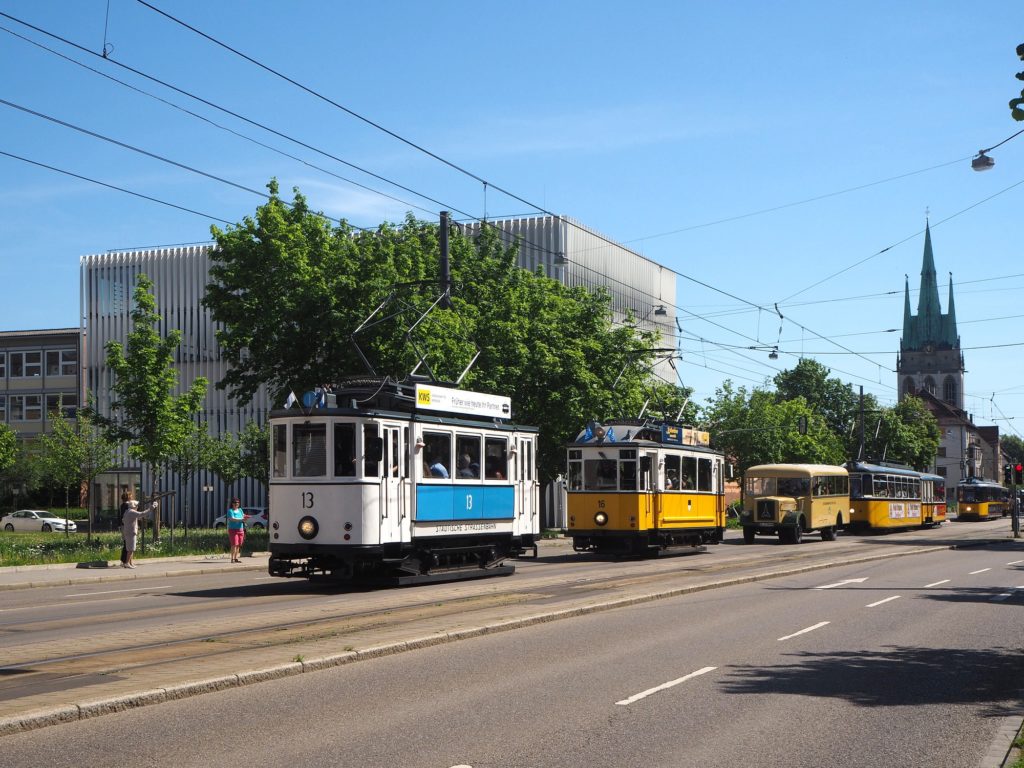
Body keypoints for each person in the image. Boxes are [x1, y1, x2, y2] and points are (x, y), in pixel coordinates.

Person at [121, 496, 159, 569]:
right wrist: (152, 508)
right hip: (131, 532)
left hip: (129, 532)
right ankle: (126, 563)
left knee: (131, 548)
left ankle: (130, 563)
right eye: (136, 506)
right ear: (133, 506)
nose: (137, 507)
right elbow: (142, 514)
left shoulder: (128, 511)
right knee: (131, 549)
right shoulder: (131, 512)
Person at [226, 498, 247, 563]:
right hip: (233, 530)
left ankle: (236, 558)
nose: (236, 504)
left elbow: (243, 516)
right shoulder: (230, 511)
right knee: (234, 544)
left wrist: (246, 517)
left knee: (238, 544)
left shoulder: (240, 510)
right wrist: (241, 520)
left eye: (238, 502)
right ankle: (232, 559)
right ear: (232, 504)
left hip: (240, 529)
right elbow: (232, 519)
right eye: (235, 502)